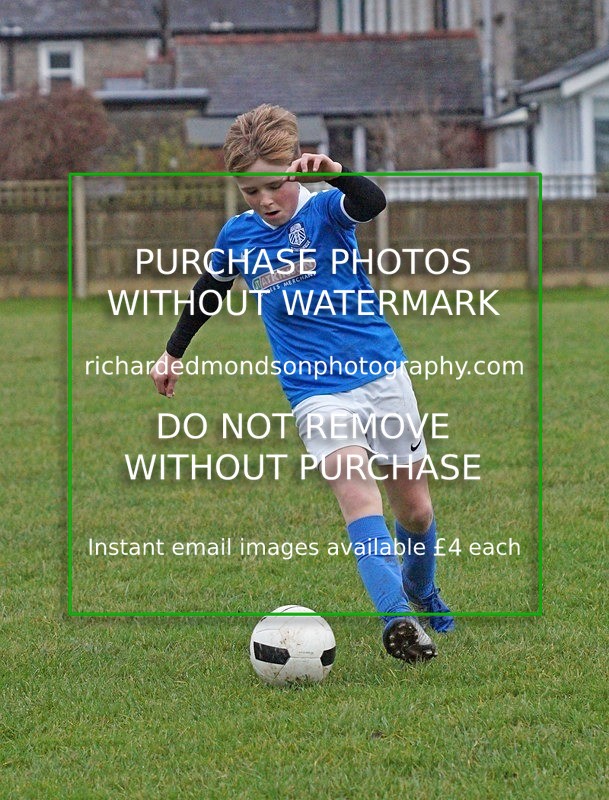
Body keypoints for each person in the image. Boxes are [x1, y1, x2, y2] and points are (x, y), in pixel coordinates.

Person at [150, 104, 454, 662]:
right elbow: (208, 291)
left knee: (415, 511)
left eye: (274, 185)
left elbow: (372, 202)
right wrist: (173, 352)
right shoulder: (237, 236)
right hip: (314, 391)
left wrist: (335, 173)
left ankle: (421, 589)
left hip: (381, 375)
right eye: (250, 192)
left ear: (295, 168)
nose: (265, 201)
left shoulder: (326, 210)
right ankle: (400, 623)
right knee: (356, 494)